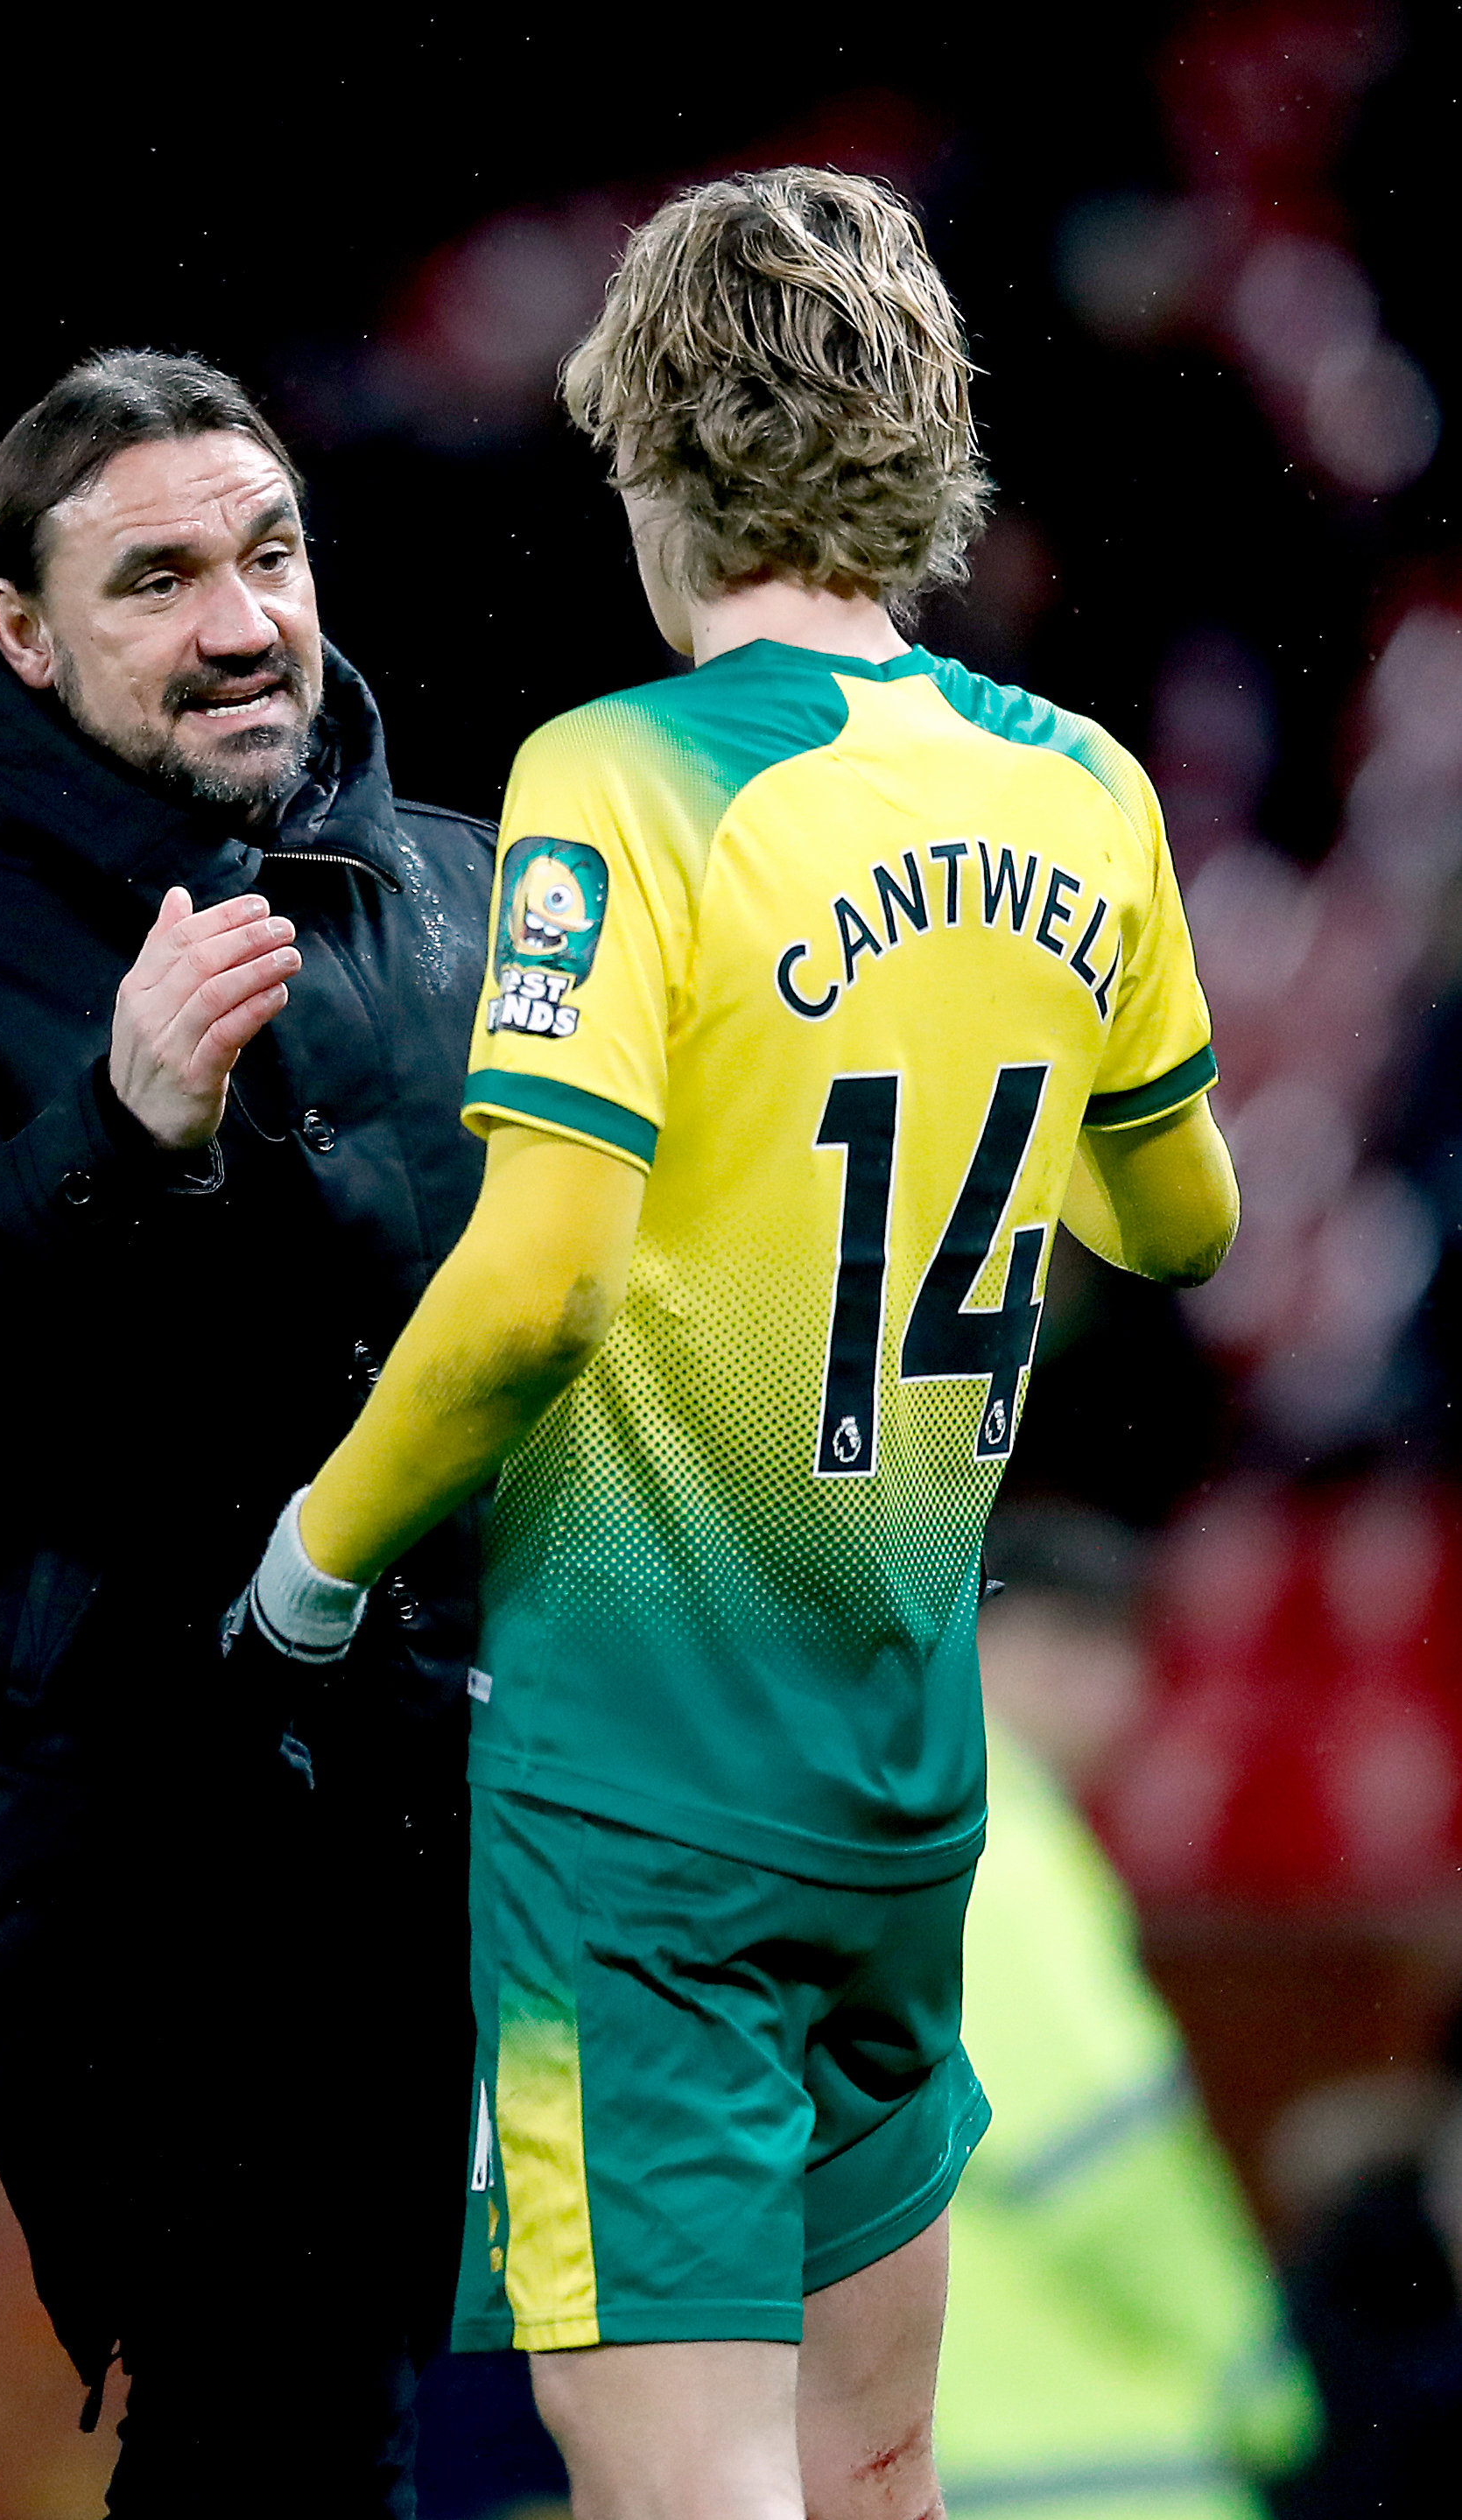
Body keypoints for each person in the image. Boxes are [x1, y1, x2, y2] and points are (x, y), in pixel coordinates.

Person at [234, 166, 1241, 2519]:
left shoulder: (622, 775)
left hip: (640, 1795)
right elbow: (1179, 1213)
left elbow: (535, 1279)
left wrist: (313, 1554)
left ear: (653, 458)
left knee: (681, 2486)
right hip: (906, 1774)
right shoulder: (1082, 790)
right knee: (872, 2465)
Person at [0, 350, 496, 2515]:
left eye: (268, 556)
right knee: (271, 2419)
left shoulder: (465, 890)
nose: (246, 621)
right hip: (155, 1843)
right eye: (156, 577)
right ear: (18, 630)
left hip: (500, 1779)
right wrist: (114, 1129)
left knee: (600, 2407)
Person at [936, 1506, 1318, 2520]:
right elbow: (1100, 2154)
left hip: (931, 2448)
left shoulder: (875, 1828)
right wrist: (1255, 2372)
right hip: (1086, 2467)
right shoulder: (997, 1847)